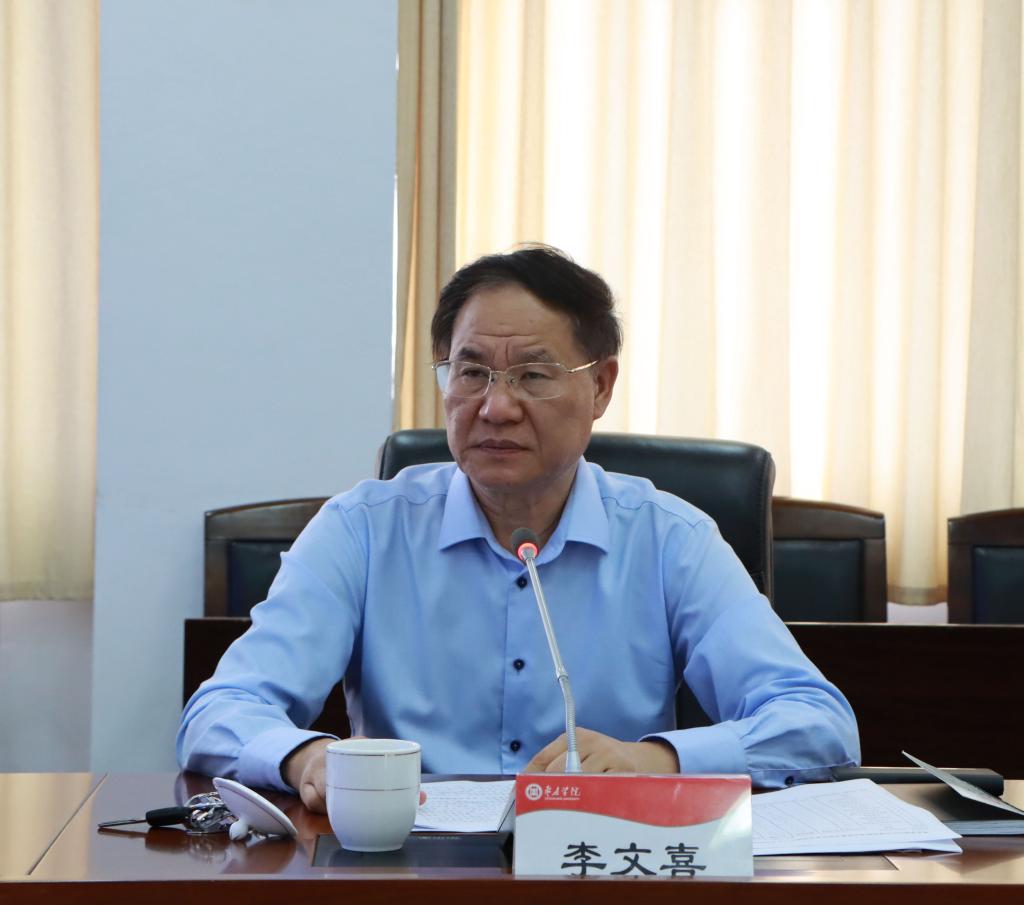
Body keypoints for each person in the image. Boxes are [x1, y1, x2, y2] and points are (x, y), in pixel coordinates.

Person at [178, 244, 859, 814]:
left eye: (533, 375)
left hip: (600, 869)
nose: (496, 407)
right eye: (472, 372)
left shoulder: (667, 539)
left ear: (601, 386)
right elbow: (221, 711)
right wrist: (304, 756)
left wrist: (655, 758)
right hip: (408, 869)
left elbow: (817, 723)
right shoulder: (363, 531)